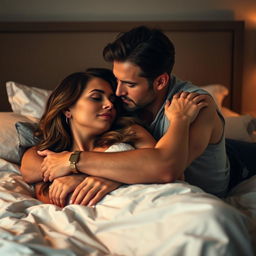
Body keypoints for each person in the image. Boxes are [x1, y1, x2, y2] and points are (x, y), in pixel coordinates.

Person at [36, 26, 230, 198]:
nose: (118, 92)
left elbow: (164, 170)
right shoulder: (122, 101)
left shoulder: (195, 105)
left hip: (216, 184)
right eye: (117, 79)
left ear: (160, 82)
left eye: (129, 84)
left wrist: (89, 172)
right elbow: (32, 161)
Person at [21, 67, 206, 207]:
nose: (109, 104)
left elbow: (167, 169)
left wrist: (108, 177)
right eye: (96, 97)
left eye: (112, 99)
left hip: (170, 202)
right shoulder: (44, 154)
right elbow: (32, 174)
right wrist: (112, 173)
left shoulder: (131, 133)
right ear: (68, 109)